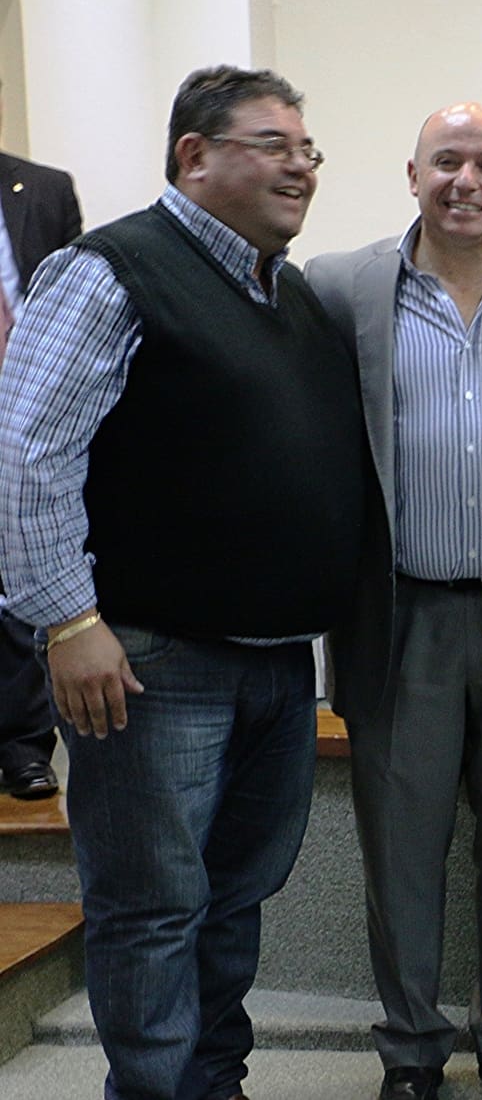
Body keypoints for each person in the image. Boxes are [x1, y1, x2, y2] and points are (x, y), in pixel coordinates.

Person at [0, 64, 368, 1100]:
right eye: (272, 144)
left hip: (274, 666)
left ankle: (212, 1085)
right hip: (152, 665)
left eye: (307, 150)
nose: (299, 166)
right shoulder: (112, 269)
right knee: (152, 908)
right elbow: (27, 450)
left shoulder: (281, 289)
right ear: (193, 156)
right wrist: (67, 617)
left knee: (231, 901)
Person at [304, 103, 482, 1100]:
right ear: (411, 173)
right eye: (447, 162)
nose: (466, 180)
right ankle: (413, 1052)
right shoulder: (340, 286)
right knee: (403, 849)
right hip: (399, 616)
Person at [0, 87, 82, 802]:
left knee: (21, 580)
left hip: (22, 406)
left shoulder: (44, 190)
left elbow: (69, 296)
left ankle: (26, 747)